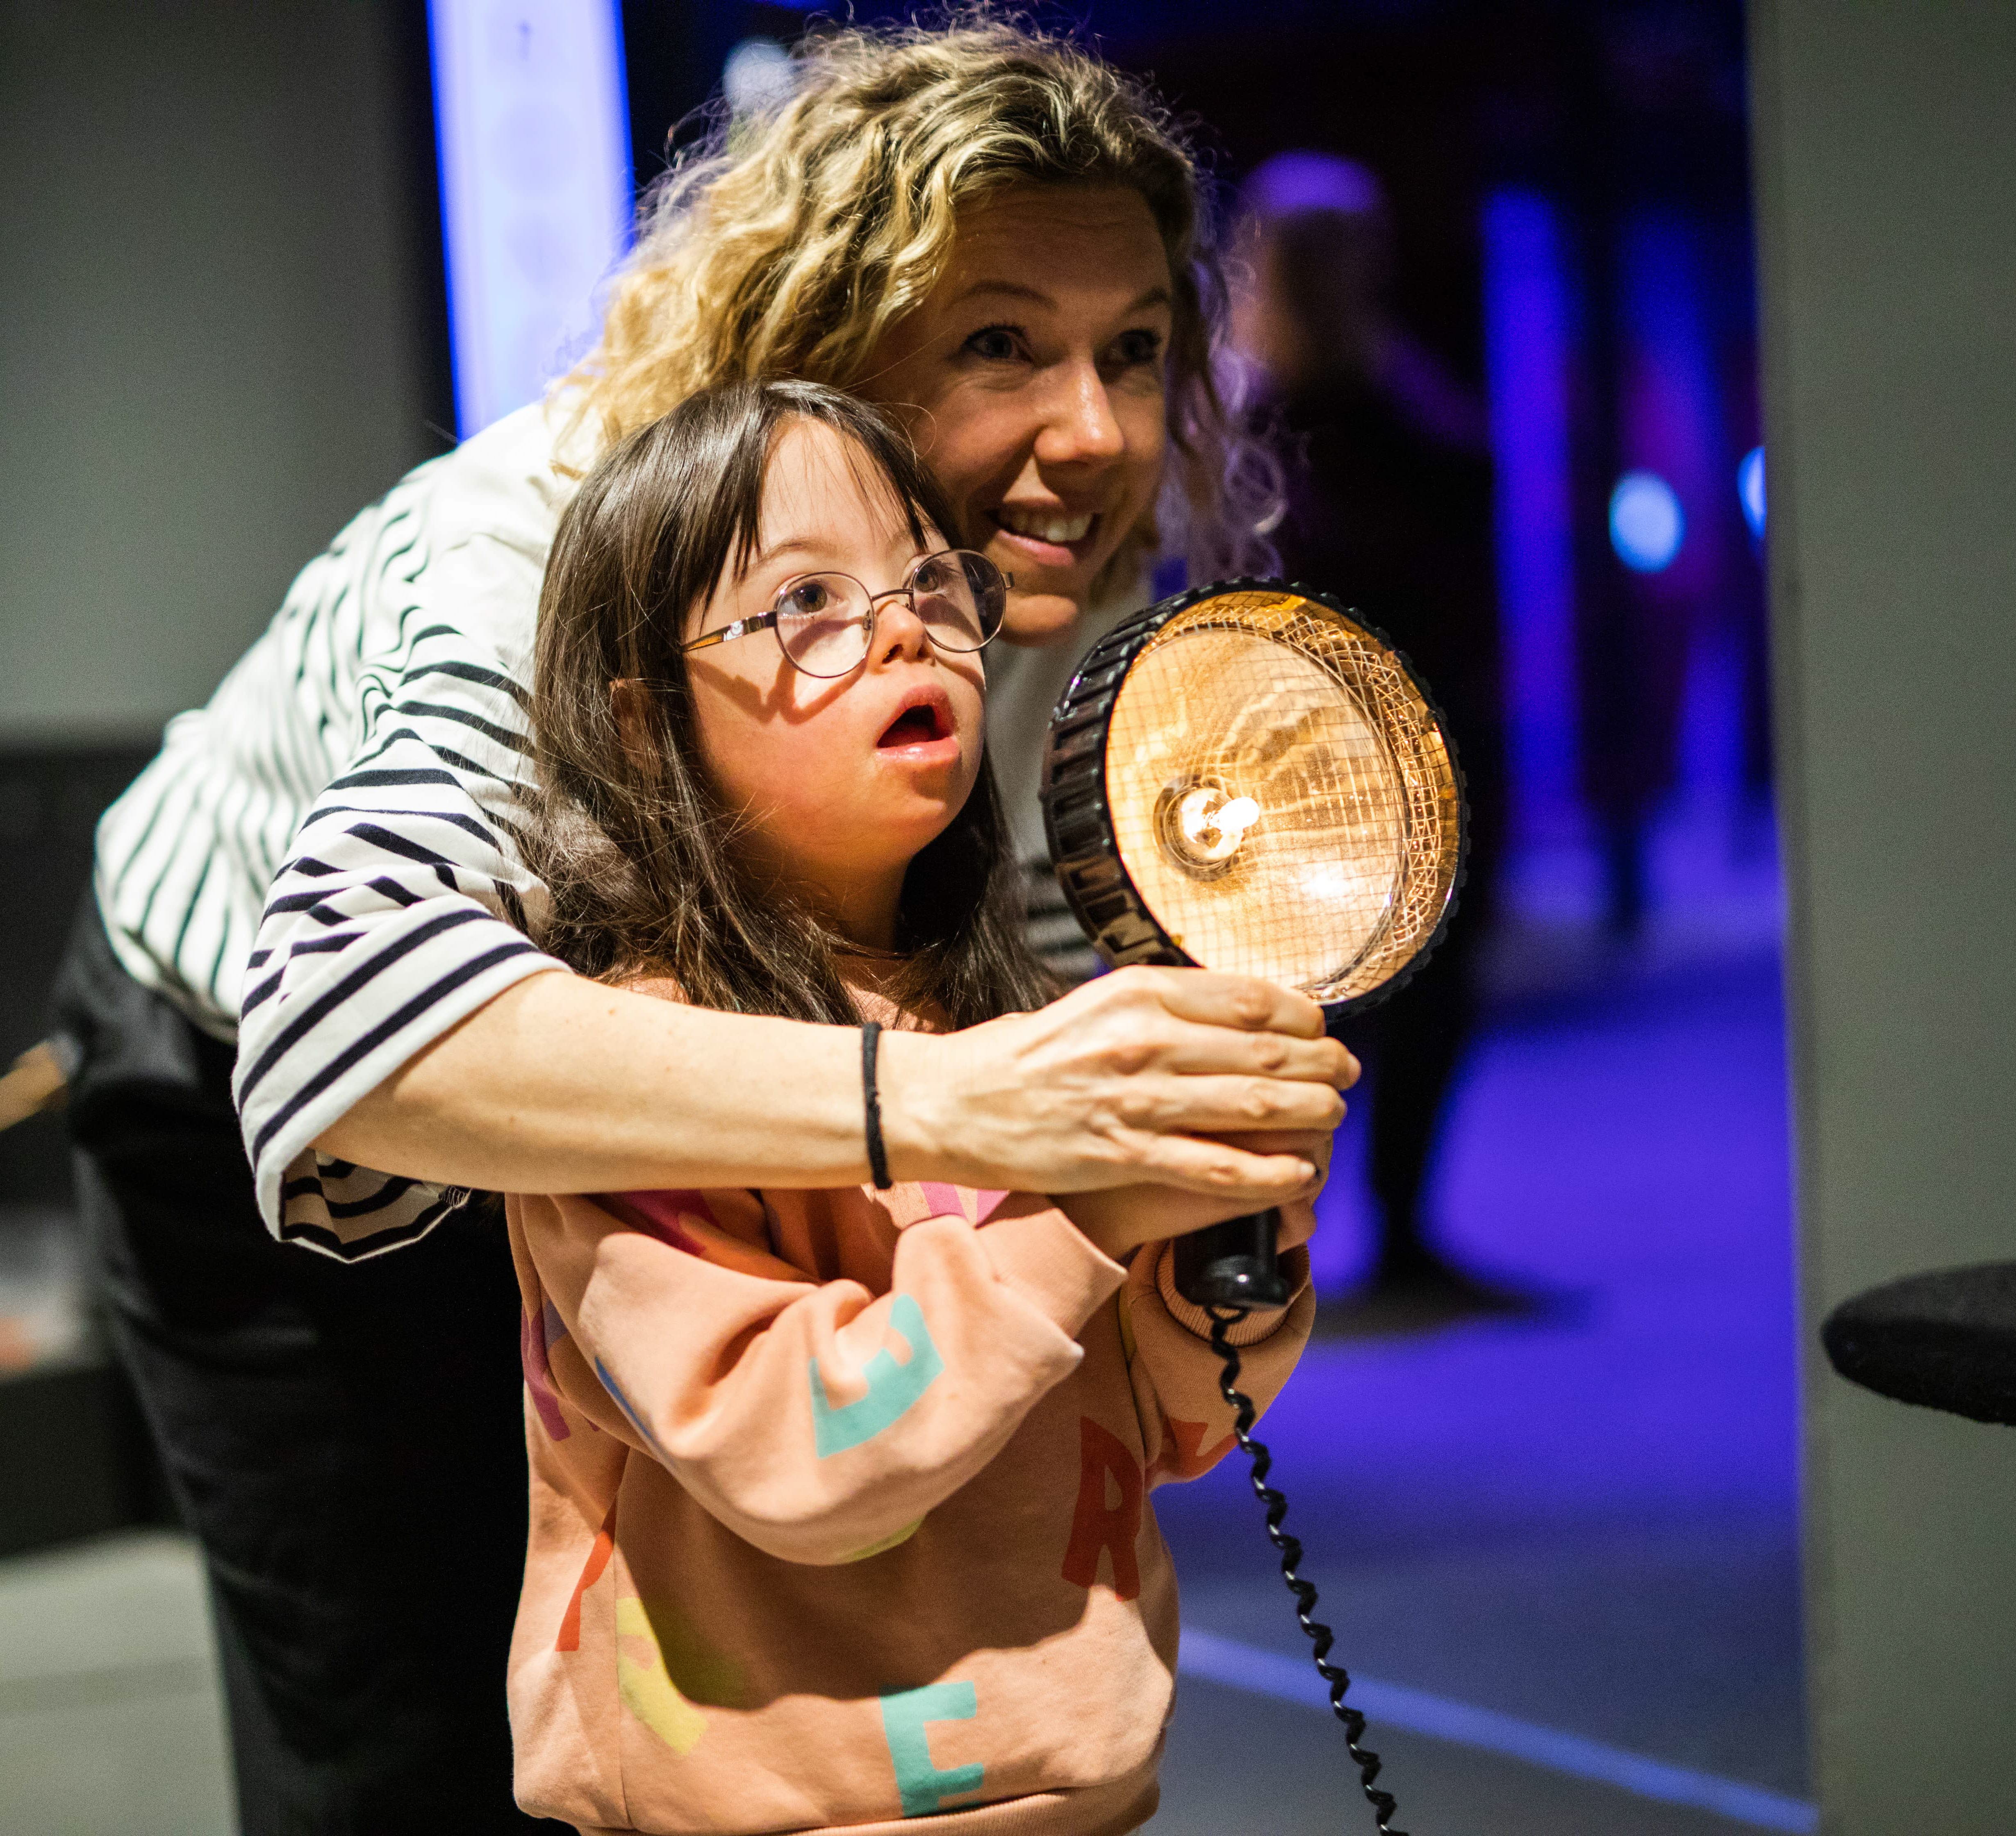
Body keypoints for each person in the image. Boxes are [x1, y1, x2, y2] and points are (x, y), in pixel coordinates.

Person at [56, 21, 1353, 1831]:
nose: (1096, 429)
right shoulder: (548, 555)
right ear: (822, 343)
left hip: (725, 1031)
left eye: (1135, 350)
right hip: (288, 1099)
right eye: (1000, 346)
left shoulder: (1023, 562)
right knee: (420, 1739)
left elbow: (1030, 993)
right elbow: (353, 1028)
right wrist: (995, 1119)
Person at [508, 375, 1313, 1833]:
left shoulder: (1011, 1031)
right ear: (643, 727)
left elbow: (1170, 1431)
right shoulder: (637, 1071)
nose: (901, 627)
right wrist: (1080, 1215)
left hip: (1089, 1786)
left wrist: (1222, 1258)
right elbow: (794, 1456)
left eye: (927, 578)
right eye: (805, 599)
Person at [1232, 151, 1514, 1310]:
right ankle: (1248, 1246)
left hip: (1431, 731)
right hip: (1311, 754)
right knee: (1294, 1009)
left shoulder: (1394, 387)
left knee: (1431, 993)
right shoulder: (1257, 414)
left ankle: (1398, 1231)